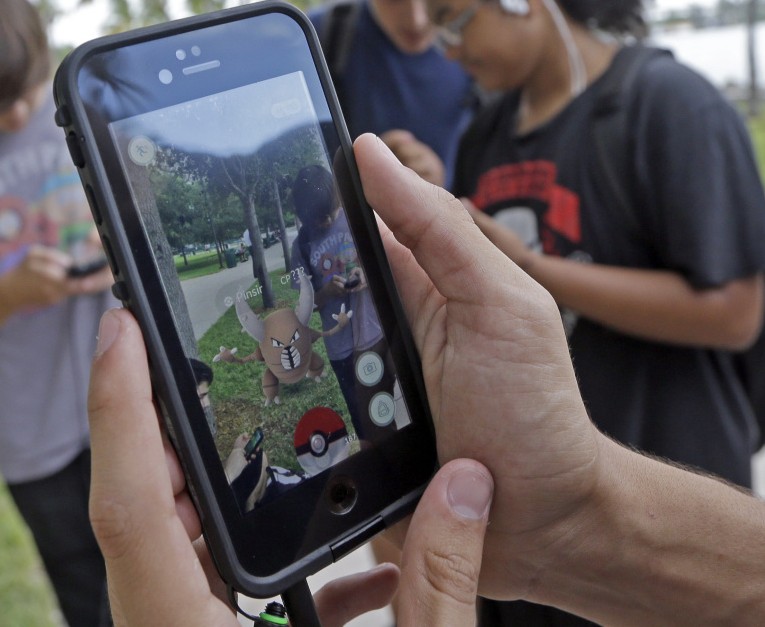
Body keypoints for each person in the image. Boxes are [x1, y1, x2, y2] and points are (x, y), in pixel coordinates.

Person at [86, 134, 765, 626]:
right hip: (347, 348)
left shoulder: (341, 235)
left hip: (372, 339)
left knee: (381, 420)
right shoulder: (304, 244)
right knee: (361, 415)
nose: (318, 220)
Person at [432, 0, 765, 622]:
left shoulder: (670, 106)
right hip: (536, 539)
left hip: (671, 510)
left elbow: (735, 311)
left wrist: (533, 271)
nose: (445, 48)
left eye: (452, 19)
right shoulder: (484, 132)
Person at [0, 1, 116, 625]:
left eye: (19, 91)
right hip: (27, 434)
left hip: (115, 399)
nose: (15, 114)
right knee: (84, 592)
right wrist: (9, 295)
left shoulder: (80, 106)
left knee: (160, 565)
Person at [309, 0, 476, 188]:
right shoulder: (319, 35)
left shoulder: (480, 38)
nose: (417, 20)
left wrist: (441, 184)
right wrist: (364, 165)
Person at [290, 164, 396, 442]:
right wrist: (324, 293)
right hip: (341, 348)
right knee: (365, 419)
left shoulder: (353, 216)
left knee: (394, 401)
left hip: (377, 330)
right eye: (318, 219)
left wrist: (365, 273)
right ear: (303, 217)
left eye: (330, 213)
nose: (326, 221)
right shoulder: (301, 246)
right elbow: (303, 304)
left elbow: (386, 257)